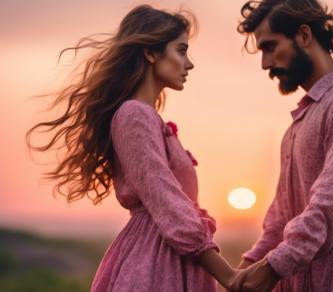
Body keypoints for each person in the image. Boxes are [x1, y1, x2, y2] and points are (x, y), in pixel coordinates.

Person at [26, 5, 236, 291]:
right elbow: (167, 201)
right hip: (153, 263)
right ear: (151, 53)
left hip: (169, 257)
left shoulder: (145, 117)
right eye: (182, 50)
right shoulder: (133, 115)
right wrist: (229, 276)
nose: (189, 64)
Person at [231, 0, 333, 291]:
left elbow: (331, 204)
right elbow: (278, 223)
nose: (265, 64)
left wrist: (272, 267)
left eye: (269, 47)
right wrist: (240, 274)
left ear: (304, 36)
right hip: (291, 279)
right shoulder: (296, 126)